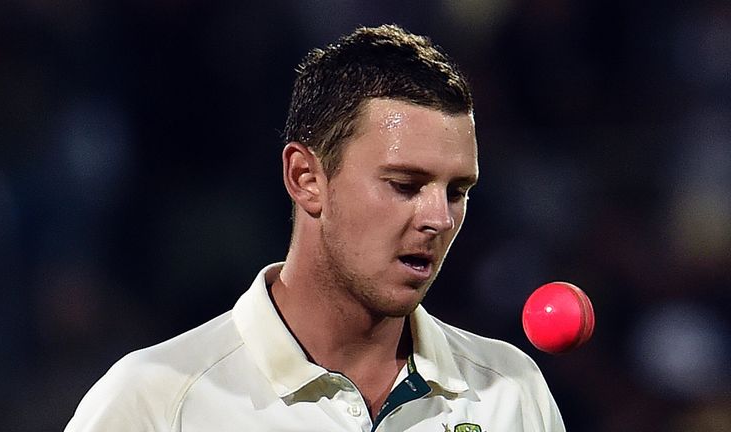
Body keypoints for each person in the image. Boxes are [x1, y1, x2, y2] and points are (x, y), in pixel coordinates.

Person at [65, 24, 565, 432]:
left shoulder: (511, 393)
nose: (438, 218)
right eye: (405, 185)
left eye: (457, 191)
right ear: (306, 179)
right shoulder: (156, 400)